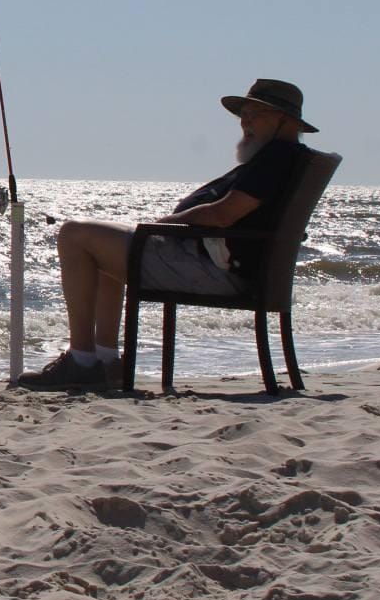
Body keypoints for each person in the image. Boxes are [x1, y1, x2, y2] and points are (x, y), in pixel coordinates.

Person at [16, 78, 318, 391]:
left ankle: (81, 360)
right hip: (217, 263)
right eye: (242, 113)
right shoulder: (286, 158)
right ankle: (104, 360)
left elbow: (222, 214)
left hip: (212, 270)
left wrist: (168, 223)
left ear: (286, 120)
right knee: (100, 243)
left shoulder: (276, 158)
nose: (245, 121)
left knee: (74, 235)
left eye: (255, 112)